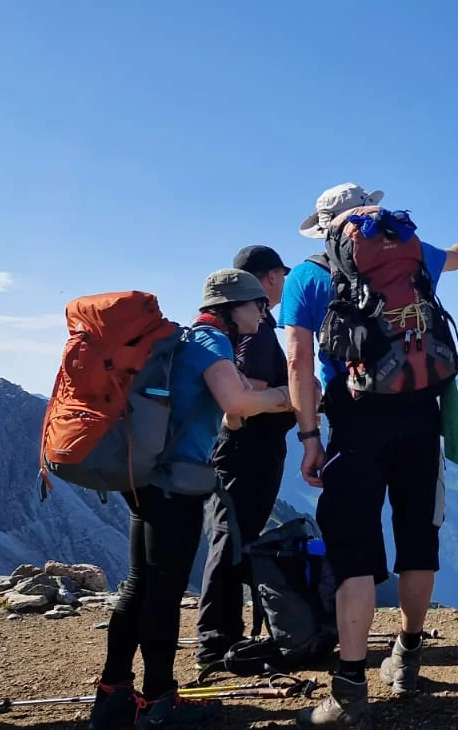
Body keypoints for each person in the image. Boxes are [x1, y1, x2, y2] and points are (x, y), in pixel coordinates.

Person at [284, 183, 458, 727]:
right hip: (421, 412)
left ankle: (350, 690)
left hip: (353, 419)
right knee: (418, 536)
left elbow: (299, 363)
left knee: (352, 549)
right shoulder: (417, 253)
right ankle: (409, 654)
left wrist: (309, 438)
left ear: (326, 227)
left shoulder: (307, 275)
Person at [91, 269, 292, 729]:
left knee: (139, 584)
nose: (264, 314)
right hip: (174, 484)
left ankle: (113, 694)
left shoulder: (186, 340)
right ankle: (160, 703)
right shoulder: (212, 342)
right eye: (257, 305)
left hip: (142, 475)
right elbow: (236, 404)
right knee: (163, 591)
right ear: (233, 307)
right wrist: (289, 396)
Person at [193, 246, 297, 669]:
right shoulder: (253, 334)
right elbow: (243, 398)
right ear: (267, 278)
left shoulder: (250, 329)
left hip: (250, 448)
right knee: (231, 536)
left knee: (236, 534)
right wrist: (291, 400)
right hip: (245, 450)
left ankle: (228, 636)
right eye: (280, 276)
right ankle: (216, 643)